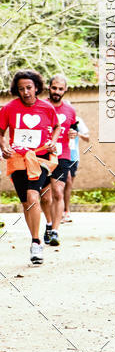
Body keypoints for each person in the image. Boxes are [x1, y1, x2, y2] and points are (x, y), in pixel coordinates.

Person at [0, 69, 61, 265]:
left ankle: (36, 243)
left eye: (29, 87)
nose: (26, 92)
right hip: (18, 158)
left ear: (36, 88)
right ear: (16, 90)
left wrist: (53, 141)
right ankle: (36, 235)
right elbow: (1, 132)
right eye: (21, 89)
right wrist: (4, 146)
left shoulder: (47, 108)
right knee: (27, 202)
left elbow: (57, 126)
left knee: (33, 195)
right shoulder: (8, 108)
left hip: (40, 157)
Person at [42, 74, 77, 245]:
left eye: (60, 89)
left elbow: (73, 129)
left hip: (62, 155)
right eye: (54, 88)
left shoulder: (70, 110)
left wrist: (73, 133)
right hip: (41, 155)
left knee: (58, 192)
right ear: (49, 87)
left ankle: (55, 231)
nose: (57, 91)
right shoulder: (40, 106)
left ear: (65, 90)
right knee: (44, 197)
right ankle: (48, 224)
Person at [63, 113, 90, 222]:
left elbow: (87, 138)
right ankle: (60, 210)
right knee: (64, 181)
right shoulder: (57, 119)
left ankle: (66, 211)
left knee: (68, 184)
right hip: (59, 155)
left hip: (73, 157)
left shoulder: (77, 120)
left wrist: (77, 133)